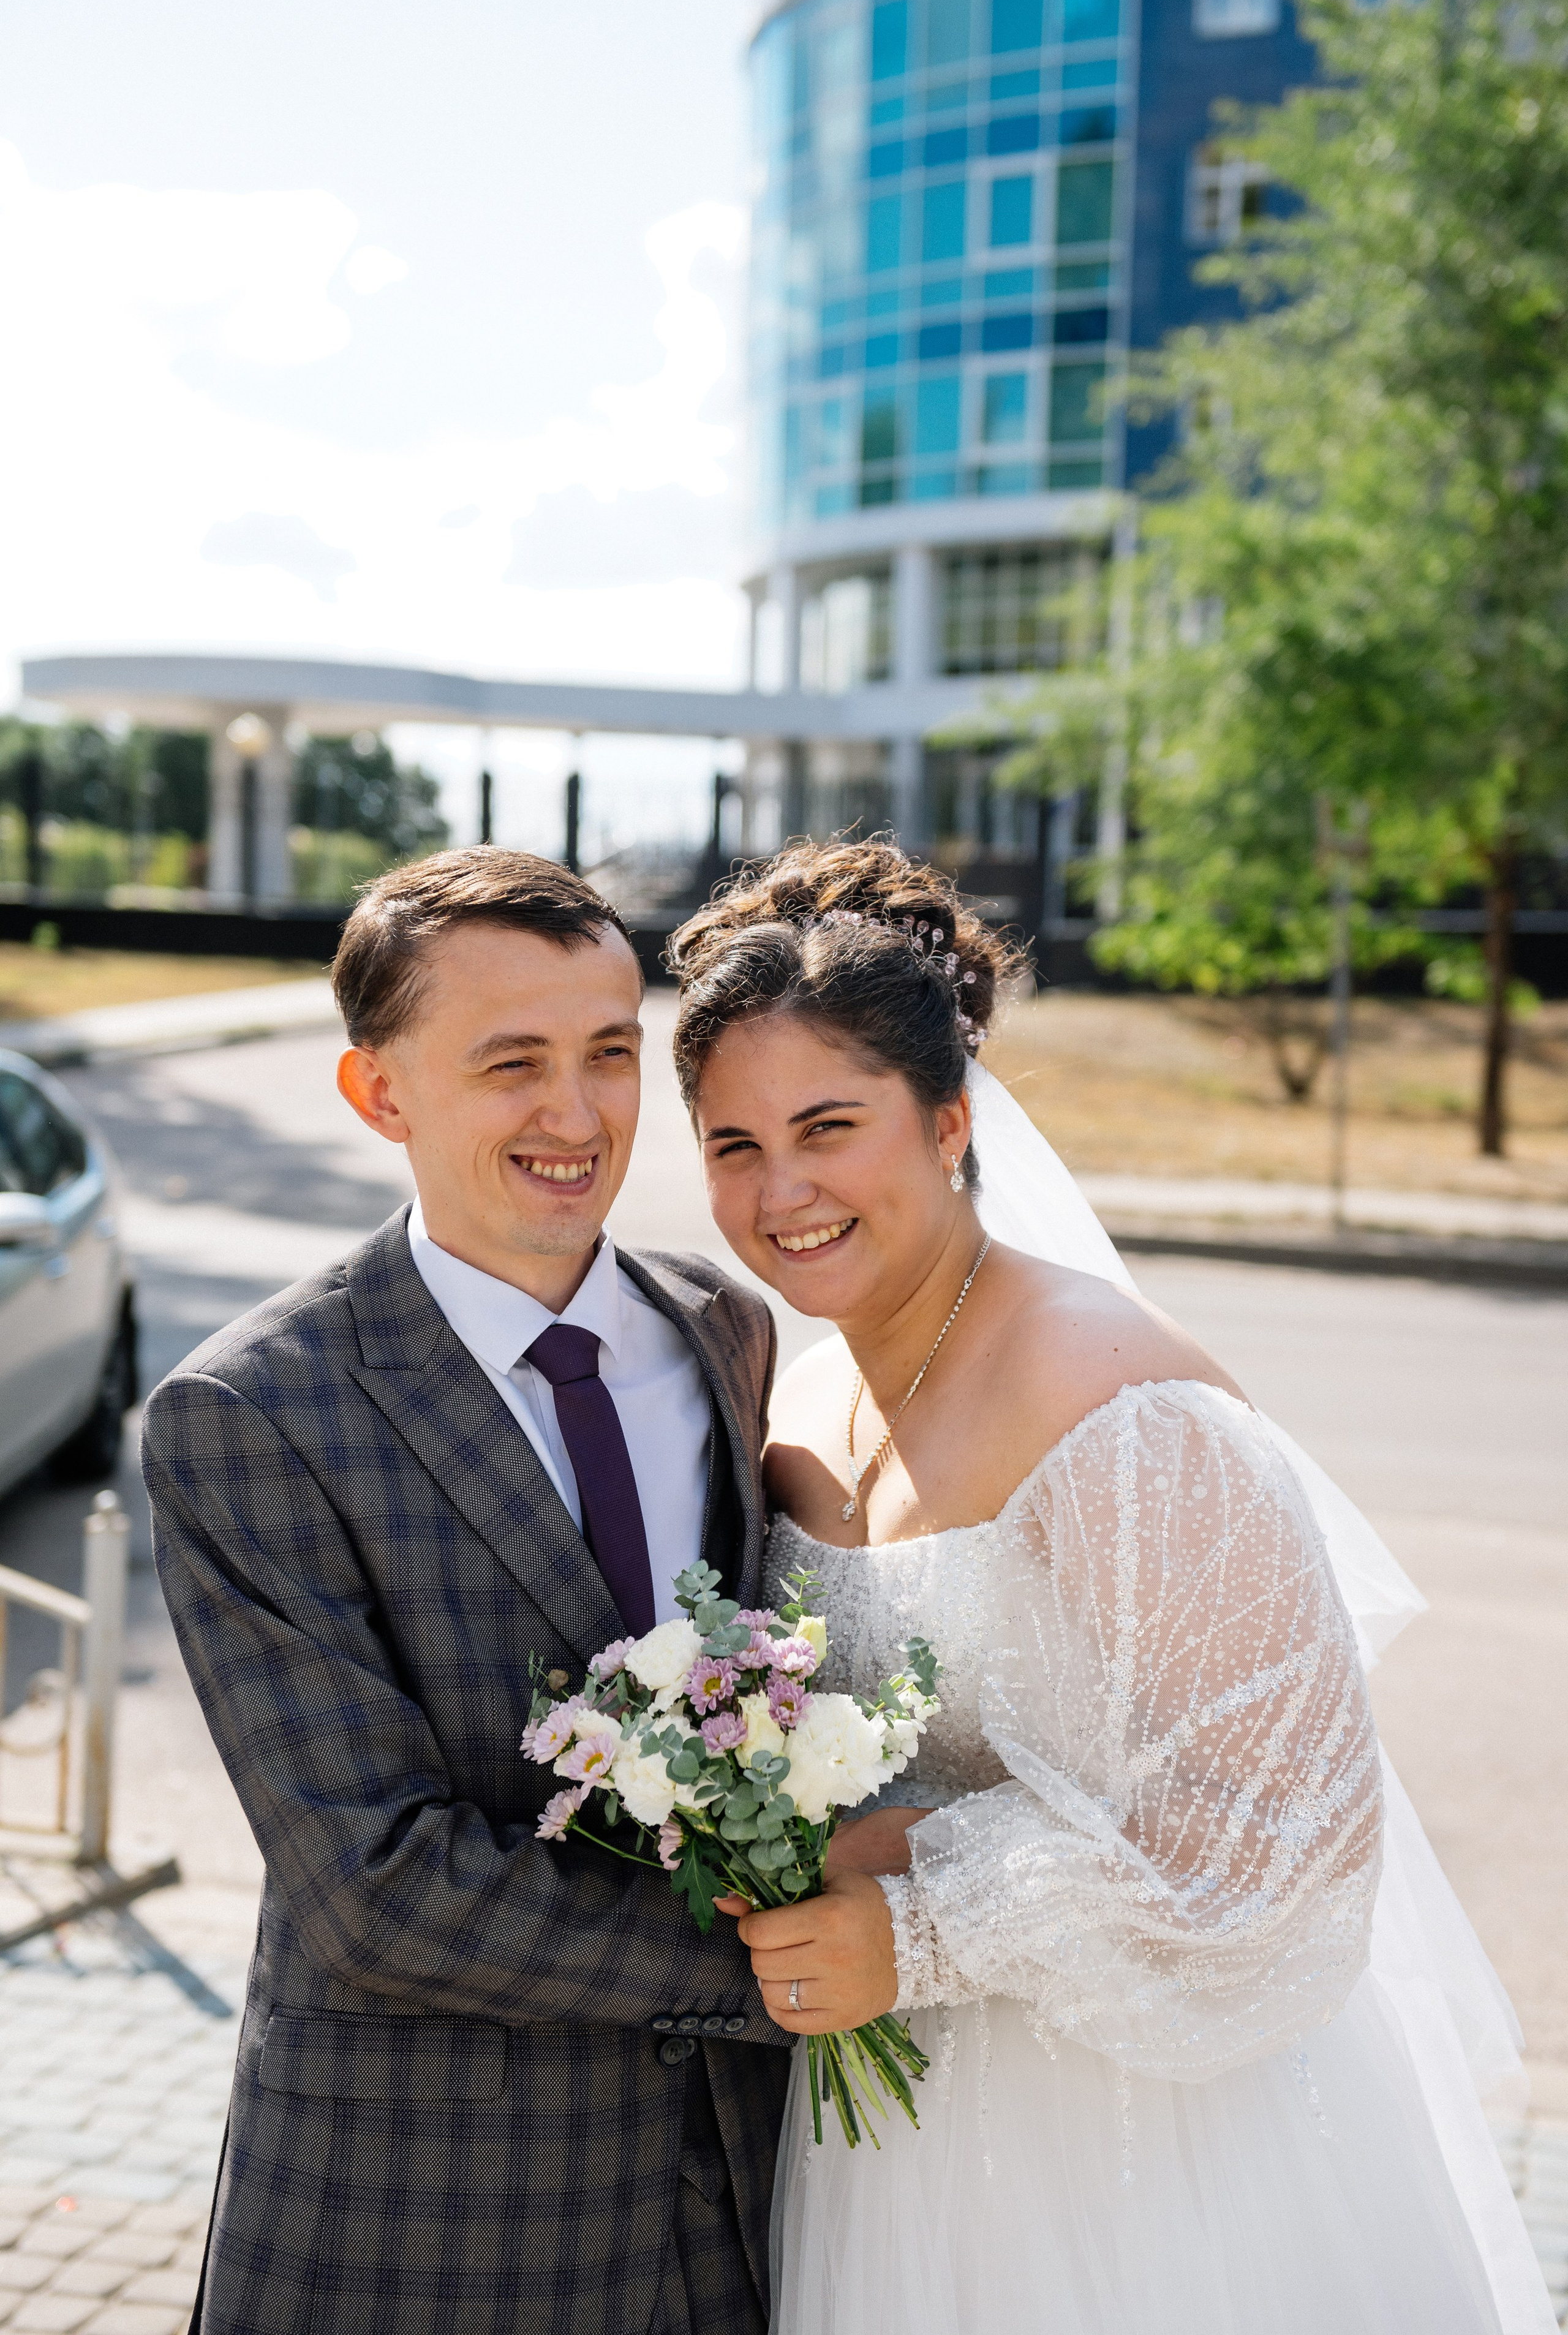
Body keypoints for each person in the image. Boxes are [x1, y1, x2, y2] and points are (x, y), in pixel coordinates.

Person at [667, 839, 1556, 2335]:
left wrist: (923, 1915)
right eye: (732, 1145)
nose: (781, 1189)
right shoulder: (795, 1411)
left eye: (828, 1127)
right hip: (890, 2152)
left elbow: (1289, 1853)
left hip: (1148, 2150)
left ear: (949, 1122)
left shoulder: (1116, 1406)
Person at [142, 848, 791, 2335]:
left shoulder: (723, 1329)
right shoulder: (251, 1413)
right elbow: (374, 1884)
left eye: (610, 1052)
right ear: (379, 1095)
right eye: (513, 1064)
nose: (577, 1114)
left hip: (739, 2204)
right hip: (428, 2216)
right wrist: (787, 1966)